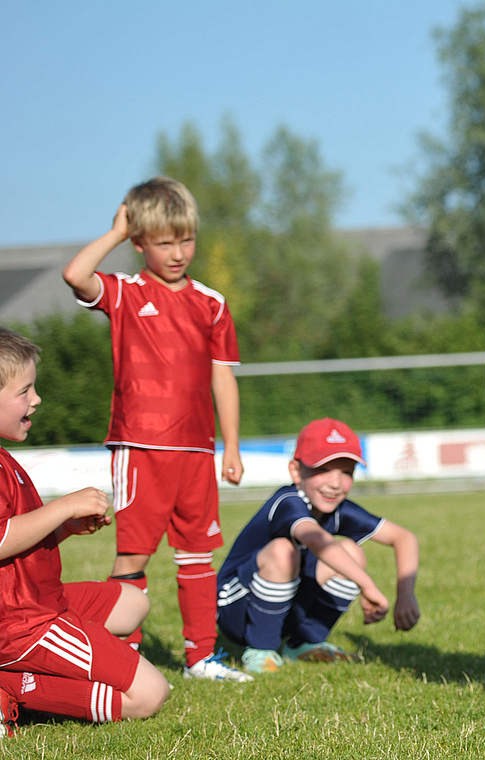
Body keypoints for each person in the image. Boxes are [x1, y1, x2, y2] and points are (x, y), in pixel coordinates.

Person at [61, 177, 251, 682]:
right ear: (140, 242)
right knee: (134, 554)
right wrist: (116, 231)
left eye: (186, 240)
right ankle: (129, 656)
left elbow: (222, 376)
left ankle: (201, 658)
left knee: (197, 552)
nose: (178, 252)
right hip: (140, 447)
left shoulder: (211, 302)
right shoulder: (125, 293)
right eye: (164, 242)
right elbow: (75, 273)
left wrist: (230, 444)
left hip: (195, 450)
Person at [0, 327, 170, 735]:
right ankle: (12, 684)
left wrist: (64, 528)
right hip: (20, 625)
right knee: (149, 694)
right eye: (25, 391)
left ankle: (80, 662)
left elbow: (18, 541)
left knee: (132, 603)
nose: (36, 399)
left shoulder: (6, 458)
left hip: (41, 602)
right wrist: (65, 506)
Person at [216, 418, 420, 674]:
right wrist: (367, 585)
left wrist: (406, 595)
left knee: (351, 552)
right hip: (234, 608)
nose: (335, 483)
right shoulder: (288, 501)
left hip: (283, 603)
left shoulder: (337, 508)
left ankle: (304, 642)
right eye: (323, 469)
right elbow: (316, 539)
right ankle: (261, 650)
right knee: (283, 551)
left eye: (346, 471)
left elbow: (404, 538)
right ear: (296, 471)